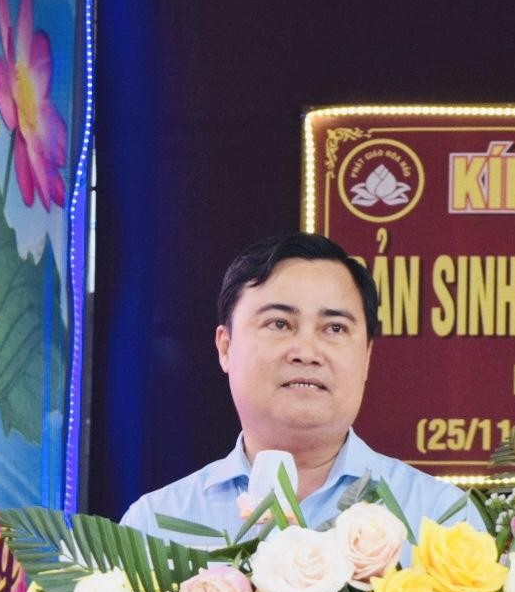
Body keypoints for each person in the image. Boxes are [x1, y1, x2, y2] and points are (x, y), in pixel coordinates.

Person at [121, 232, 479, 543]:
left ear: (367, 356)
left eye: (335, 328)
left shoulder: (444, 521)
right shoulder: (155, 527)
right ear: (226, 347)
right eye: (279, 324)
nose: (307, 352)